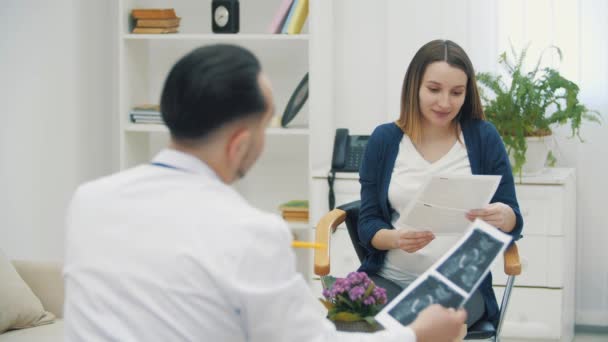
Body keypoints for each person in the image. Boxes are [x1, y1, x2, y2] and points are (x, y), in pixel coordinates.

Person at [63, 44, 467, 342]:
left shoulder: (89, 201)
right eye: (267, 124)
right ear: (240, 144)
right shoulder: (250, 233)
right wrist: (417, 335)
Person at [358, 39, 524, 328]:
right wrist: (396, 239)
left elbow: (513, 217)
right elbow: (368, 222)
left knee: (411, 327)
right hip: (390, 279)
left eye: (457, 92)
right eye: (434, 89)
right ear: (414, 87)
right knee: (345, 321)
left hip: (458, 286)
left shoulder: (483, 138)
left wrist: (505, 216)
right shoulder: (384, 140)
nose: (445, 102)